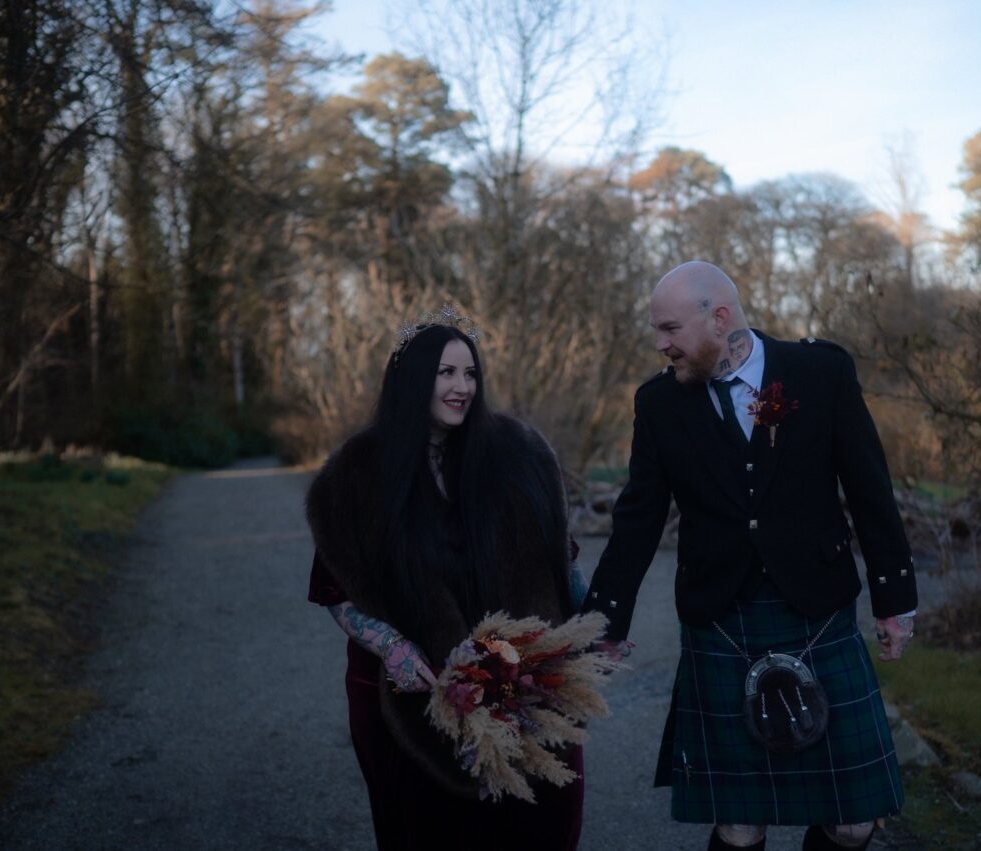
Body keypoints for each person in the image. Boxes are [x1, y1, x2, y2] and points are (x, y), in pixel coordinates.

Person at [582, 262, 917, 851]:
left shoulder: (820, 372)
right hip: (721, 615)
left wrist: (896, 599)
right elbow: (638, 516)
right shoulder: (659, 403)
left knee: (852, 819)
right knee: (740, 824)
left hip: (817, 607)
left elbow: (869, 488)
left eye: (669, 329)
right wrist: (605, 622)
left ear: (719, 317)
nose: (661, 345)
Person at [305, 312, 584, 851]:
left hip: (519, 687)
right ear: (412, 380)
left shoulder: (515, 454)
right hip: (407, 696)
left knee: (538, 828)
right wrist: (392, 647)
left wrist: (593, 625)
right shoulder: (359, 472)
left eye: (470, 373)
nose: (462, 387)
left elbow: (560, 561)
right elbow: (334, 590)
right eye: (445, 373)